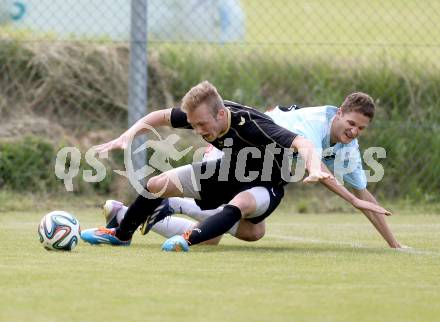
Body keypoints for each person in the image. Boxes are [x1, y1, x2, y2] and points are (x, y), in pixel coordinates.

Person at [81, 81, 392, 250]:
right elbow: (161, 116)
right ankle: (122, 232)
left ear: (219, 115)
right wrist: (128, 135)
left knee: (244, 221)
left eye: (202, 124)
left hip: (266, 182)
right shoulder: (206, 117)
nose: (198, 130)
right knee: (155, 185)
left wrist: (314, 169)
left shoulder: (256, 126)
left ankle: (185, 238)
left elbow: (304, 145)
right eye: (193, 125)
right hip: (231, 168)